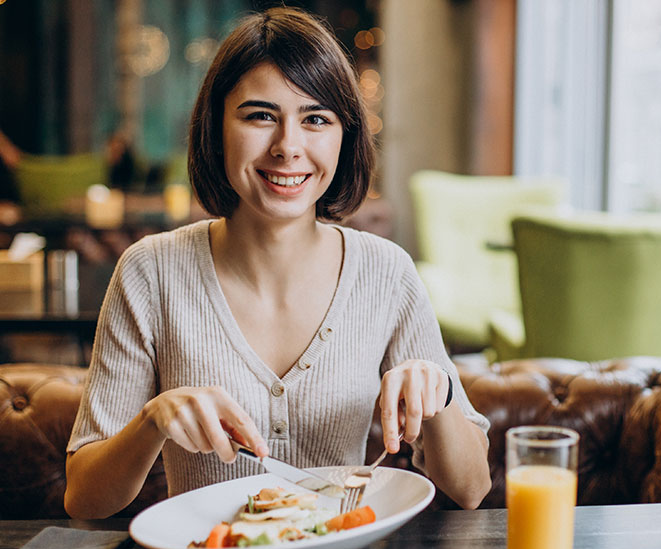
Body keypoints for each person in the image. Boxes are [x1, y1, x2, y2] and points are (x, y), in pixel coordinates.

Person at [64, 6, 491, 518]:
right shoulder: (149, 273)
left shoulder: (387, 273)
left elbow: (471, 488)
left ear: (344, 136)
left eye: (316, 119)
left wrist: (439, 392)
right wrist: (152, 421)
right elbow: (84, 499)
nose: (289, 146)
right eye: (260, 115)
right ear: (217, 126)